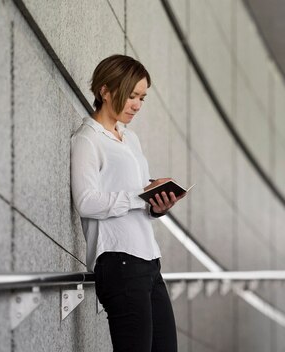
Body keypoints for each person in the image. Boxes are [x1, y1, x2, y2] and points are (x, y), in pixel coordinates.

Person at [70, 54, 184, 352]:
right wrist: (137, 197)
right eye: (131, 95)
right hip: (118, 262)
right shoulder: (87, 139)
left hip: (148, 260)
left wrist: (155, 204)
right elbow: (85, 202)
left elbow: (137, 198)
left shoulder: (130, 139)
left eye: (142, 98)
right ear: (104, 91)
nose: (136, 105)